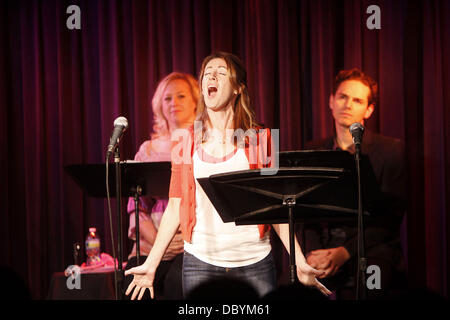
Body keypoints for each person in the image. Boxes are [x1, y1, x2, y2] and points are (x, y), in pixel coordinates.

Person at [125, 51, 332, 300]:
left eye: (221, 73)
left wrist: (298, 260)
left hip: (253, 261)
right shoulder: (184, 139)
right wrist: (152, 264)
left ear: (237, 89)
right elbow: (176, 204)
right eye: (207, 73)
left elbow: (275, 207)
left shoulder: (261, 138)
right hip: (199, 261)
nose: (212, 76)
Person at [302, 68, 407, 299]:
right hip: (323, 245)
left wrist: (344, 252)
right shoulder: (312, 149)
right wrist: (311, 255)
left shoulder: (391, 150)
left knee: (372, 284)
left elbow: (389, 219)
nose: (347, 105)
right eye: (342, 97)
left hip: (372, 247)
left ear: (369, 110)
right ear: (331, 101)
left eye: (357, 100)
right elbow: (304, 213)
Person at [123, 72, 199, 300]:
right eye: (168, 98)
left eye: (181, 96)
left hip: (191, 245)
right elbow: (137, 209)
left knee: (180, 282)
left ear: (196, 101)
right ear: (159, 105)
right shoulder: (147, 150)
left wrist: (182, 242)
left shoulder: (207, 145)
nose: (174, 103)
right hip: (150, 245)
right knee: (132, 286)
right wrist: (160, 243)